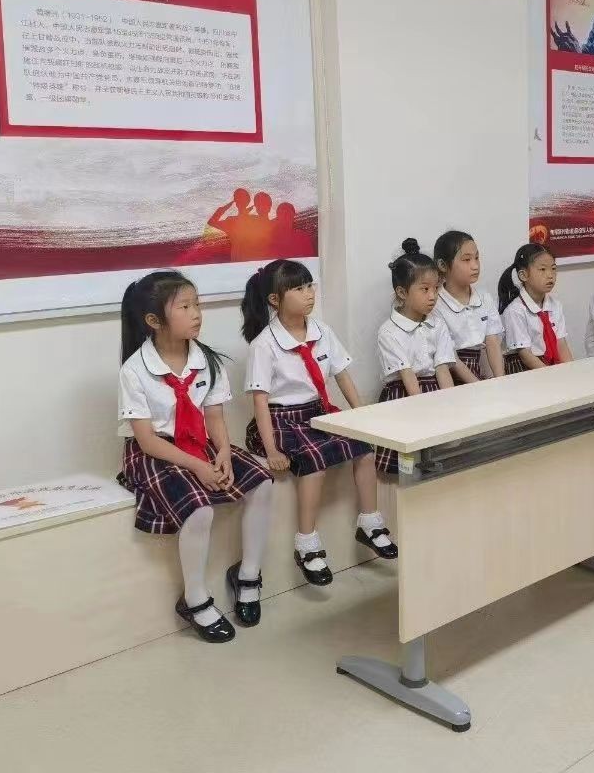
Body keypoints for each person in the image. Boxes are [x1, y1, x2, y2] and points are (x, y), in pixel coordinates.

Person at [117, 271, 272, 643]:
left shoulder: (206, 360)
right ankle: (195, 598)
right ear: (154, 320)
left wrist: (224, 453)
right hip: (155, 451)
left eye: (197, 304)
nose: (197, 313)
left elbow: (214, 418)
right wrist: (199, 466)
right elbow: (147, 441)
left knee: (263, 481)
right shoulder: (134, 370)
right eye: (185, 307)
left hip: (199, 443)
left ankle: (248, 574)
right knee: (199, 508)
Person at [241, 259, 398, 587]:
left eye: (309, 285)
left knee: (363, 446)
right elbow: (260, 402)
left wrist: (362, 416)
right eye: (298, 289)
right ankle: (307, 543)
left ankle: (370, 522)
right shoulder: (264, 345)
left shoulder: (322, 331)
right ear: (275, 299)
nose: (309, 294)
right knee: (313, 461)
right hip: (281, 420)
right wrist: (271, 450)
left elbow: (342, 375)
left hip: (317, 413)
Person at [373, 241, 457, 475]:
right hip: (404, 397)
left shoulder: (438, 324)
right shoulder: (388, 332)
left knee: (438, 462)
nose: (433, 296)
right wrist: (422, 413)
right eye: (424, 289)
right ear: (402, 292)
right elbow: (407, 375)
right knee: (407, 467)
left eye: (436, 289)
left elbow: (442, 368)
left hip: (435, 392)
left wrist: (452, 405)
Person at [431, 230, 506, 382]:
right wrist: (477, 385)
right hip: (453, 375)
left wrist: (500, 380)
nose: (475, 266)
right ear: (442, 265)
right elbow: (450, 356)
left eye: (477, 258)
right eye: (466, 260)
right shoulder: (435, 304)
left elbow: (492, 341)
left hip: (482, 369)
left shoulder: (484, 297)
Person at [499, 243, 573, 373]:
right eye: (542, 269)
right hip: (524, 368)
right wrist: (551, 375)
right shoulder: (515, 310)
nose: (550, 275)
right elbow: (525, 355)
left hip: (550, 367)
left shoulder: (555, 305)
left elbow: (561, 344)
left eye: (553, 268)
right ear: (523, 275)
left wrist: (571, 370)